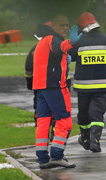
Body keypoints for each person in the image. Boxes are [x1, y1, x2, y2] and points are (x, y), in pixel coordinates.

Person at [32, 14, 79, 169]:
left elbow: (54, 55)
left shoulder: (43, 41)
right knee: (64, 120)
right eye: (62, 25)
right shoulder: (53, 39)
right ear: (52, 26)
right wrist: (71, 42)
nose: (65, 28)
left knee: (43, 122)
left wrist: (64, 58)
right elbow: (60, 48)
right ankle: (57, 155)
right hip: (55, 87)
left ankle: (43, 158)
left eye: (67, 25)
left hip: (41, 88)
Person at [68, 12, 106, 153]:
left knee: (83, 114)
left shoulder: (79, 42)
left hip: (83, 87)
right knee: (97, 113)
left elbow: (69, 56)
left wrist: (72, 43)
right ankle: (95, 140)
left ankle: (85, 138)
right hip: (102, 87)